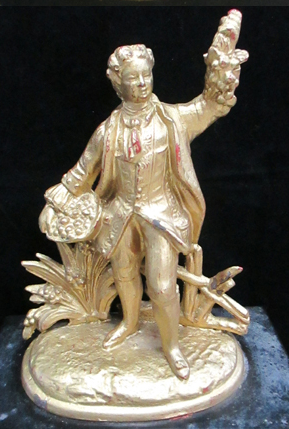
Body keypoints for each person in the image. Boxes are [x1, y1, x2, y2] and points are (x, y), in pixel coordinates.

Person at [58, 43, 239, 380]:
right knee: (124, 273)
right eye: (133, 77)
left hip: (162, 215)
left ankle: (172, 346)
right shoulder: (108, 131)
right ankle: (129, 323)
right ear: (118, 83)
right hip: (120, 215)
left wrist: (221, 74)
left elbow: (209, 106)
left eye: (146, 75)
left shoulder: (173, 119)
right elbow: (84, 171)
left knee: (161, 285)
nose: (142, 83)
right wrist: (61, 194)